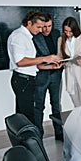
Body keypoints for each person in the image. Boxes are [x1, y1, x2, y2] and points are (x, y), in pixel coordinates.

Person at [8, 10, 62, 124]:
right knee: (27, 117)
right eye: (38, 27)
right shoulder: (19, 36)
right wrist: (45, 58)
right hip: (23, 80)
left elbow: (31, 64)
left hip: (27, 79)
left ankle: (27, 141)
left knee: (24, 116)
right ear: (29, 23)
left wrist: (51, 67)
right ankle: (31, 141)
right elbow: (20, 62)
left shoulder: (27, 36)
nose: (41, 30)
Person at [33, 12, 64, 140]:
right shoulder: (34, 37)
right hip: (41, 75)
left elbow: (61, 51)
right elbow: (34, 60)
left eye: (49, 26)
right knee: (39, 106)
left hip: (56, 75)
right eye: (44, 27)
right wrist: (49, 64)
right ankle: (38, 135)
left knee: (56, 104)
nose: (46, 29)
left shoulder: (57, 33)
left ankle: (59, 132)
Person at [57, 16, 81, 107]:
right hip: (70, 75)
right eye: (65, 31)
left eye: (70, 31)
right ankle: (79, 120)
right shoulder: (61, 40)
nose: (68, 34)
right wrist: (62, 62)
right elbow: (59, 56)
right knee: (76, 105)